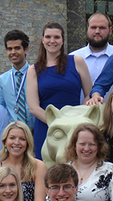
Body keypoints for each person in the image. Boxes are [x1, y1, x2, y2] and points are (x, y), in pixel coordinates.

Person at [27, 22, 92, 158]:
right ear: (42, 40)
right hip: (47, 128)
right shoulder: (33, 70)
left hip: (75, 128)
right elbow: (33, 107)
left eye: (56, 37)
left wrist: (76, 120)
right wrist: (57, 123)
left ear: (62, 41)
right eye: (48, 37)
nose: (52, 41)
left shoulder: (77, 61)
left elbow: (89, 94)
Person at [64, 123, 113, 201]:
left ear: (99, 146)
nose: (86, 149)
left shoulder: (110, 170)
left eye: (91, 144)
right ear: (74, 145)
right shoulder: (62, 171)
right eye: (82, 144)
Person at [0, 121, 46, 201]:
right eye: (12, 138)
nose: (17, 142)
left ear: (27, 143)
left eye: (22, 139)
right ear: (5, 141)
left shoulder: (38, 166)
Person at [70, 12, 113, 102]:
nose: (97, 31)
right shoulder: (72, 58)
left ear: (110, 31)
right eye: (93, 27)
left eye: (102, 28)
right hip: (81, 113)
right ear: (87, 29)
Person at [0, 30, 32, 125]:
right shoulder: (2, 80)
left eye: (17, 48)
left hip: (35, 132)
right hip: (14, 134)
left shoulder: (37, 75)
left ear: (26, 49)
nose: (13, 52)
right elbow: (2, 109)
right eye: (9, 49)